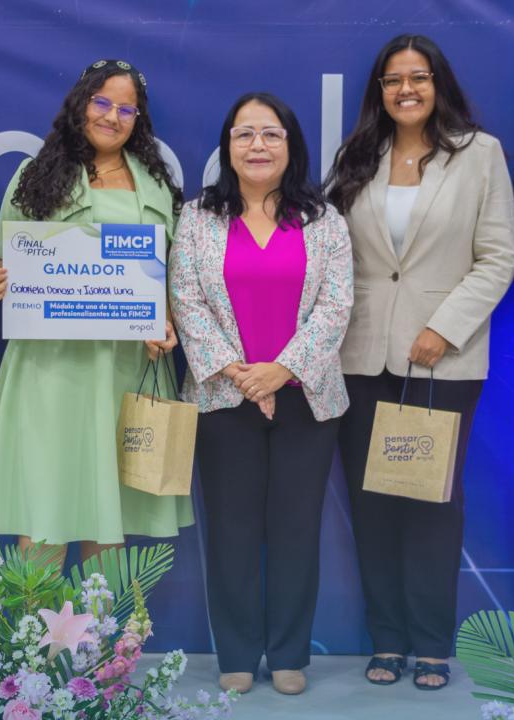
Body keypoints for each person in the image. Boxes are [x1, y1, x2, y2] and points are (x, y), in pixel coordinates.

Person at [326, 34, 514, 690]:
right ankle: (388, 640)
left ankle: (432, 644)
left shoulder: (479, 155)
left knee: (433, 505)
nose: (405, 89)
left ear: (438, 83)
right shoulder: (356, 157)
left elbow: (498, 256)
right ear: (378, 91)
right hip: (359, 356)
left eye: (418, 77)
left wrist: (444, 326)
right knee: (371, 502)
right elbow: (332, 258)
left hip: (441, 360)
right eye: (392, 80)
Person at [0, 60, 192, 569]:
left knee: (108, 512)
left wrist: (167, 320)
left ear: (139, 118)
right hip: (50, 371)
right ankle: (35, 649)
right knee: (44, 508)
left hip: (125, 368)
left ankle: (98, 648)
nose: (112, 116)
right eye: (102, 102)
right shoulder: (35, 175)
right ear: (80, 104)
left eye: (126, 108)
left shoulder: (156, 186)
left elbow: (175, 278)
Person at [169, 92, 352, 696]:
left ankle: (291, 652)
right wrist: (240, 374)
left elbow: (336, 305)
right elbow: (186, 301)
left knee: (298, 530)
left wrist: (282, 371)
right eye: (244, 135)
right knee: (231, 532)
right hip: (225, 400)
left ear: (291, 145)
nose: (257, 146)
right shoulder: (197, 218)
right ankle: (239, 654)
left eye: (270, 134)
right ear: (227, 146)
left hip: (307, 399)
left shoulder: (324, 220)